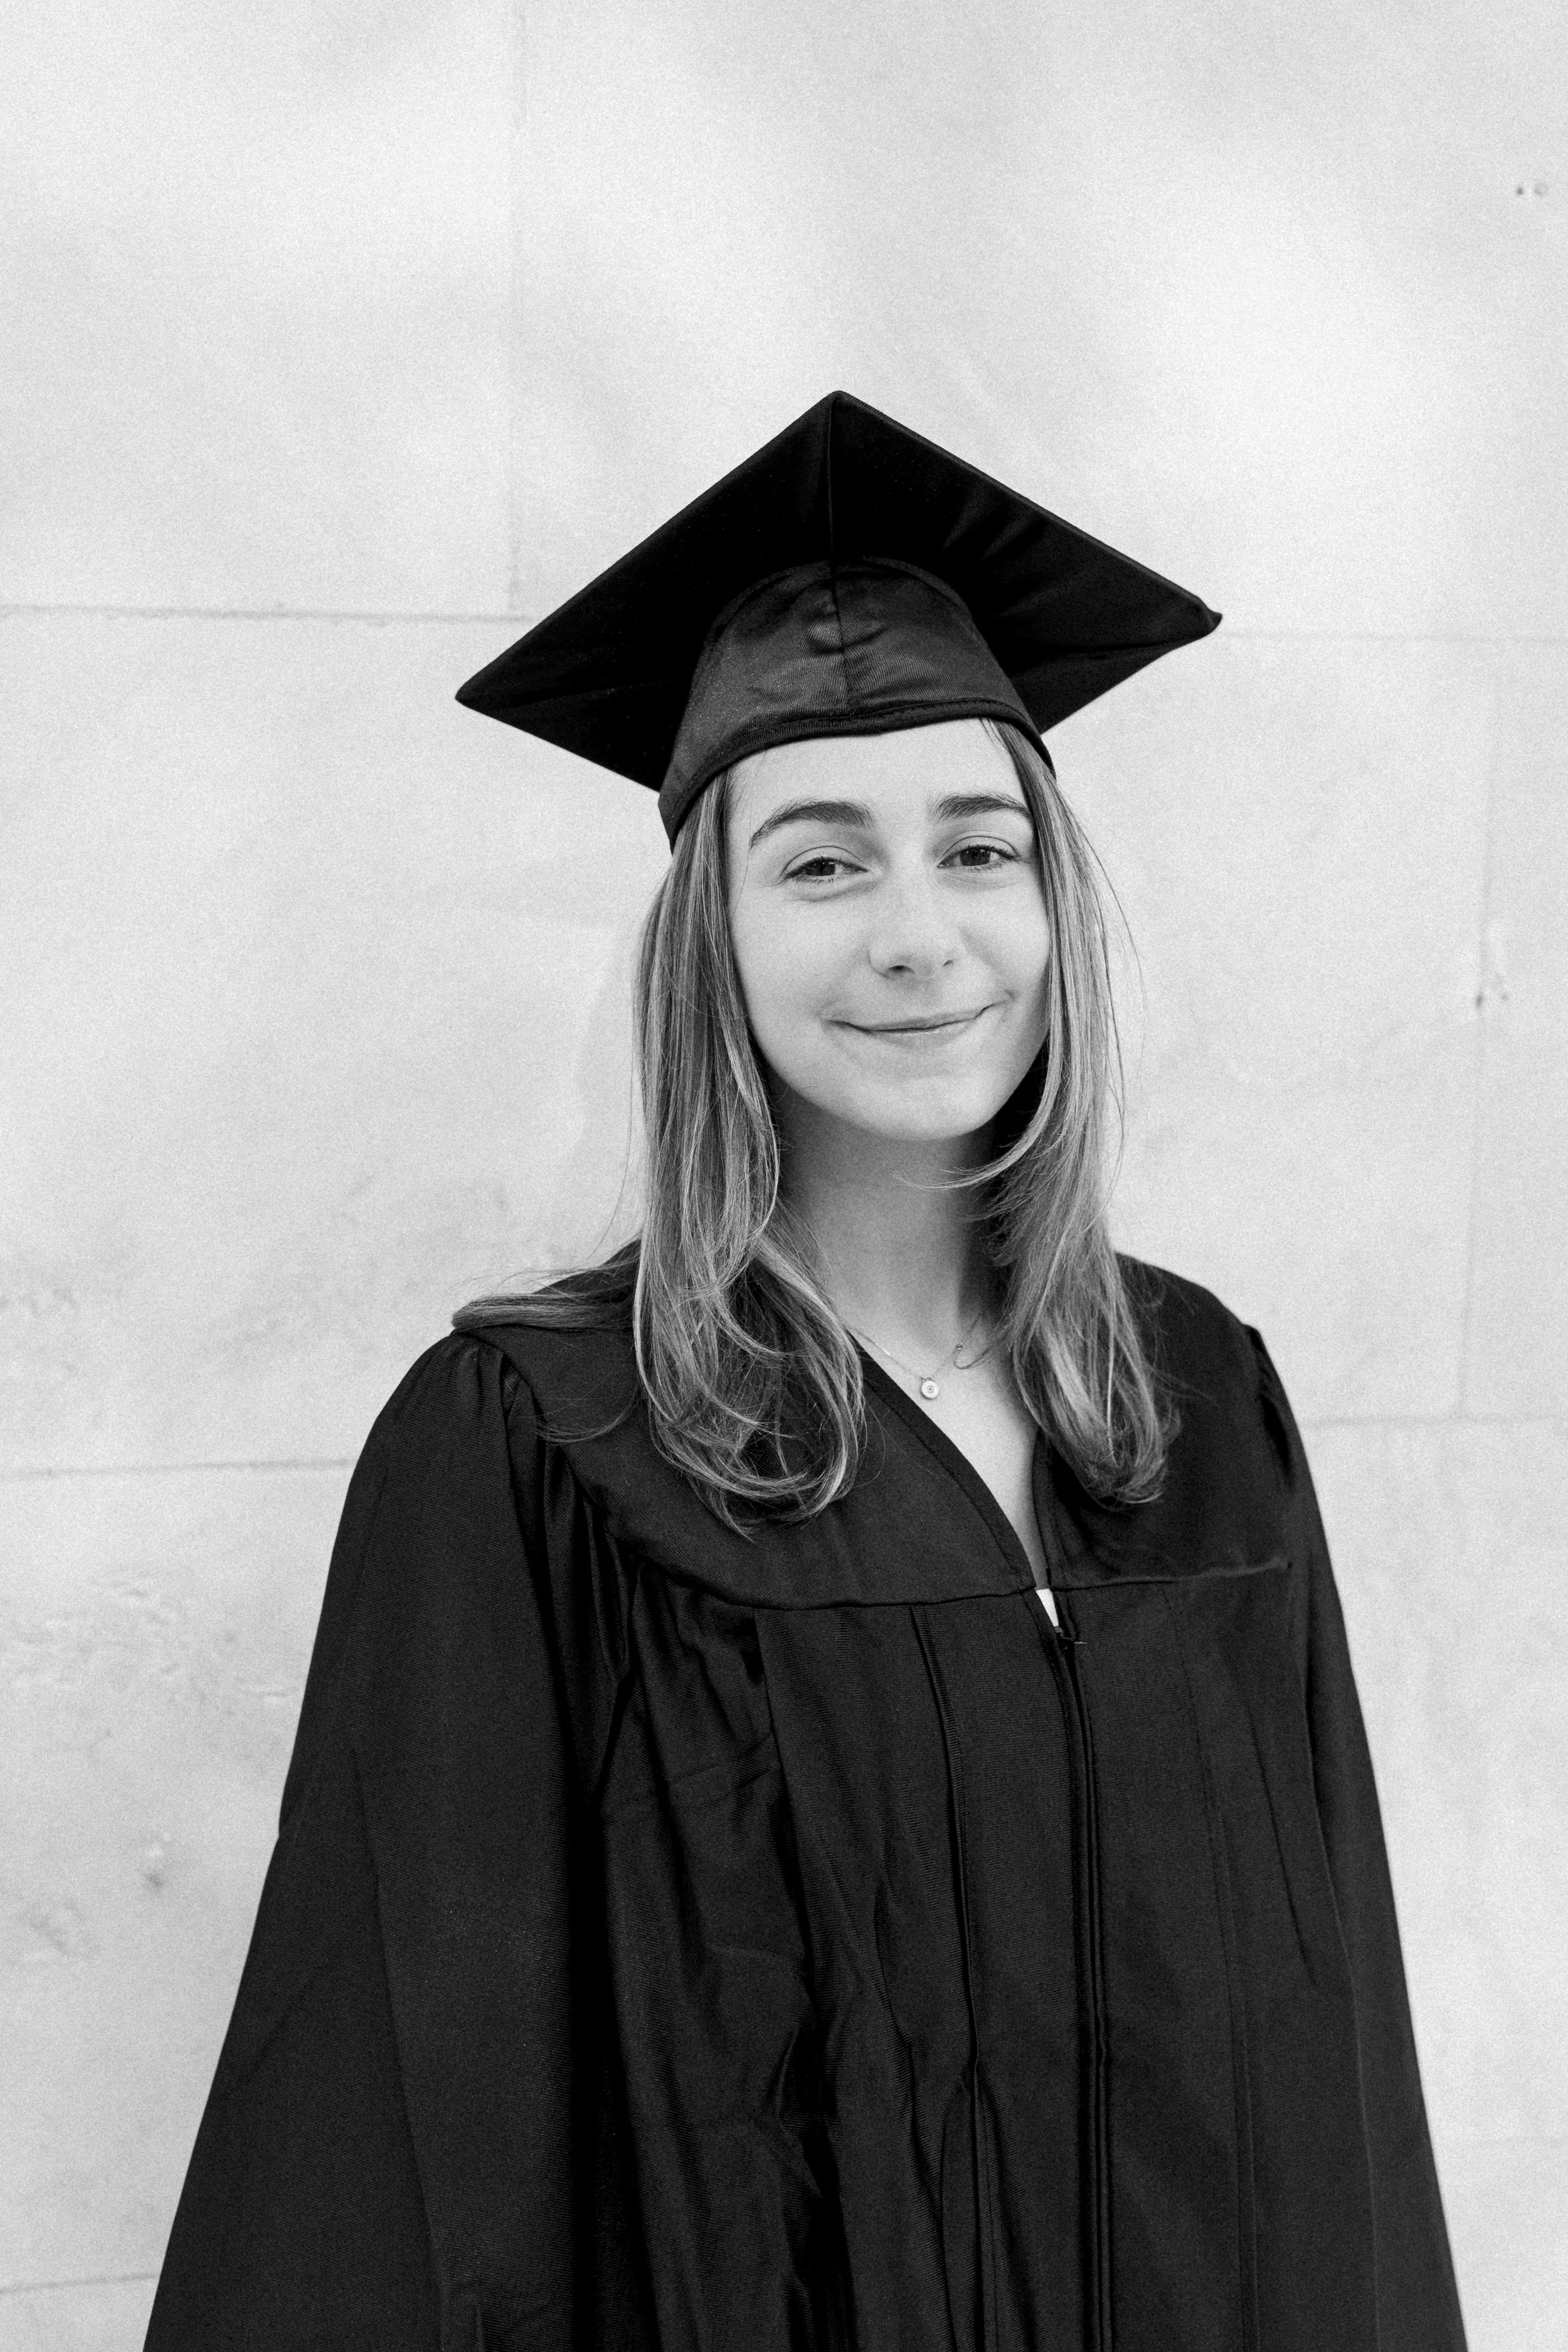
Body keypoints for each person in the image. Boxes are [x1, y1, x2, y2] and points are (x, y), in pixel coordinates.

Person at [144, 393, 1468, 2351]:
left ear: (1051, 902)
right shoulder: (538, 1444)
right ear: (717, 938)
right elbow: (418, 2130)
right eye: (822, 864)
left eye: (977, 845)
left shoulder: (1199, 1402)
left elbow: (1331, 2071)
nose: (924, 936)